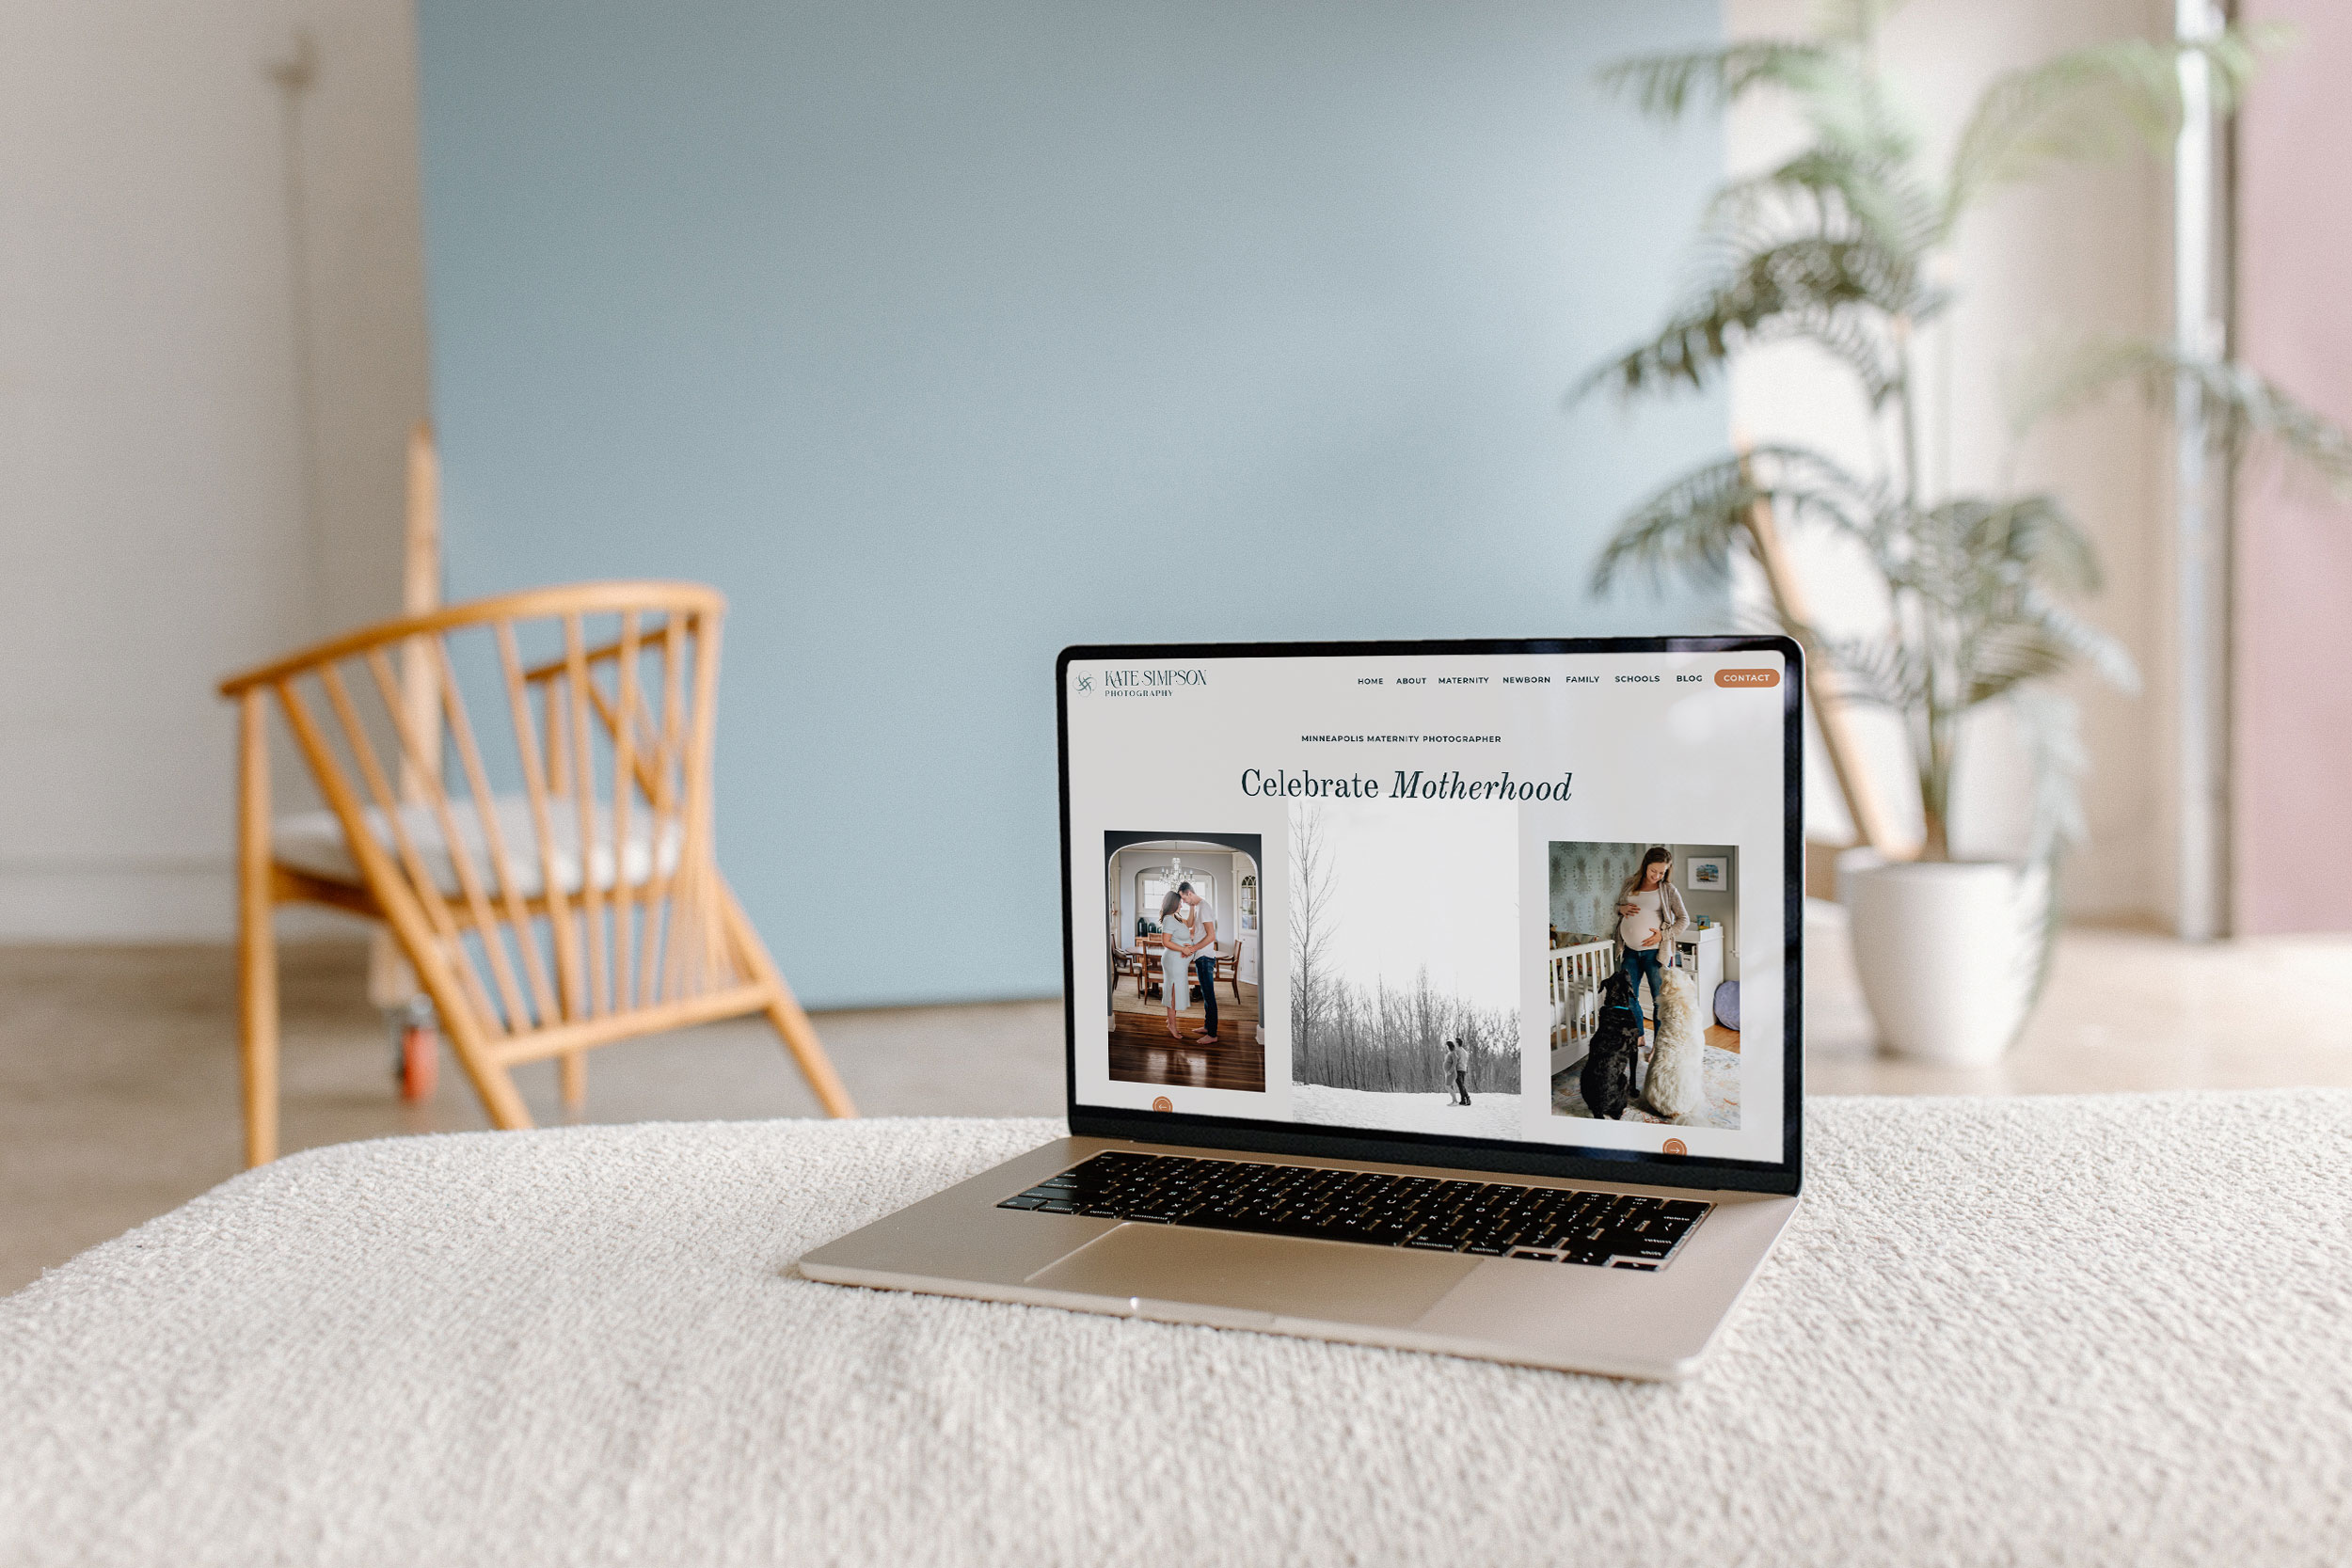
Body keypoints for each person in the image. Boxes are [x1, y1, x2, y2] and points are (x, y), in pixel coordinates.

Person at [1613, 847, 1688, 1038]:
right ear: (1645, 865)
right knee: (1629, 997)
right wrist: (1620, 908)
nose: (1657, 875)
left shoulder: (1668, 889)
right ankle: (1639, 1035)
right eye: (1654, 870)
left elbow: (1683, 919)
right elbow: (1617, 907)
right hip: (1629, 950)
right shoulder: (1629, 883)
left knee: (1658, 1001)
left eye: (1662, 872)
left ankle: (1658, 1044)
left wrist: (1663, 935)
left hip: (1655, 953)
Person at [1173, 883, 1218, 1044]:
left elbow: (1211, 935)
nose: (1183, 902)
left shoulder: (1204, 907)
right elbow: (1190, 924)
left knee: (1209, 995)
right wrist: (1191, 906)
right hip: (1201, 955)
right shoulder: (1197, 906)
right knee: (1206, 995)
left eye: (1184, 898)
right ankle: (1208, 1026)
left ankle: (1212, 1035)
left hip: (1205, 956)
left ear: (1190, 893)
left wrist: (1193, 948)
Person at [1155, 890, 1192, 1040]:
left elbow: (1189, 924)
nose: (1181, 905)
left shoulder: (1176, 918)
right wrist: (1183, 948)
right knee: (1173, 993)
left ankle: (1170, 1020)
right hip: (1174, 961)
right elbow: (1166, 942)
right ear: (1173, 903)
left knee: (1176, 991)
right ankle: (1172, 1025)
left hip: (1179, 962)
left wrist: (1193, 907)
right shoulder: (1169, 920)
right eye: (1180, 902)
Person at [1444, 1037, 1470, 1106]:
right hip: (1464, 1069)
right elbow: (1466, 1061)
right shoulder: (1465, 1051)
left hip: (1459, 1069)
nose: (1453, 1043)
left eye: (1454, 1042)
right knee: (1461, 1085)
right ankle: (1463, 1100)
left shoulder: (1457, 1051)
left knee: (1461, 1085)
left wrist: (1450, 1069)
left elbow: (1455, 1061)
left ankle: (1466, 1098)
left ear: (1457, 1043)